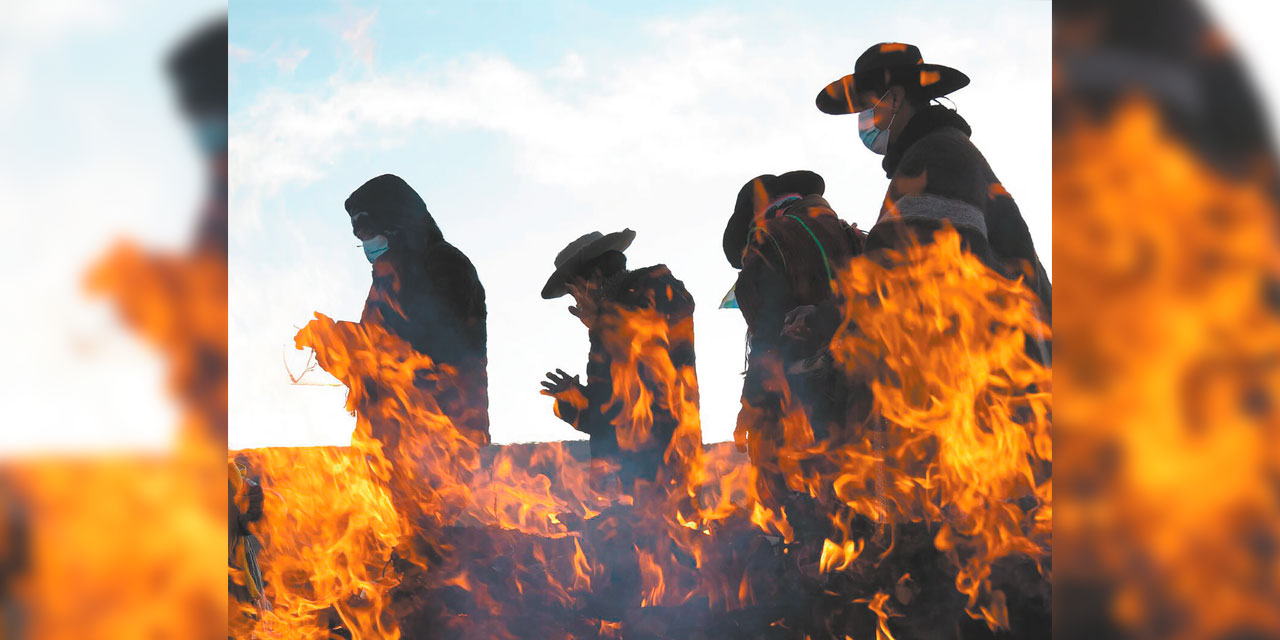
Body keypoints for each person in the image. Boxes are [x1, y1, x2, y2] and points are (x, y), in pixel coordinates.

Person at [815, 42, 1052, 327]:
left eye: (867, 106)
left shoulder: (936, 155)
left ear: (895, 99)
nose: (863, 120)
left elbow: (899, 265)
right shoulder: (937, 149)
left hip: (1001, 355)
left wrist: (823, 320)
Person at [722, 171, 866, 505]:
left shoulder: (770, 240)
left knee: (813, 521)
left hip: (808, 414)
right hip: (875, 400)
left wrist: (751, 406)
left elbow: (768, 340)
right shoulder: (855, 236)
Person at [539, 229, 699, 491]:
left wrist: (601, 324)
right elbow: (610, 411)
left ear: (595, 279)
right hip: (631, 478)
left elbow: (648, 377)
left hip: (662, 466)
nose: (577, 301)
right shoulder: (605, 326)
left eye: (577, 290)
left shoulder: (654, 290)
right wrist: (573, 399)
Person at [345, 174, 490, 447]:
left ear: (395, 225)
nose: (368, 246)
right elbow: (367, 355)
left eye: (369, 234)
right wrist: (337, 346)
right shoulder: (383, 283)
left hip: (444, 440)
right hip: (385, 445)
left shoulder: (446, 263)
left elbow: (441, 344)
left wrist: (353, 341)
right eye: (360, 239)